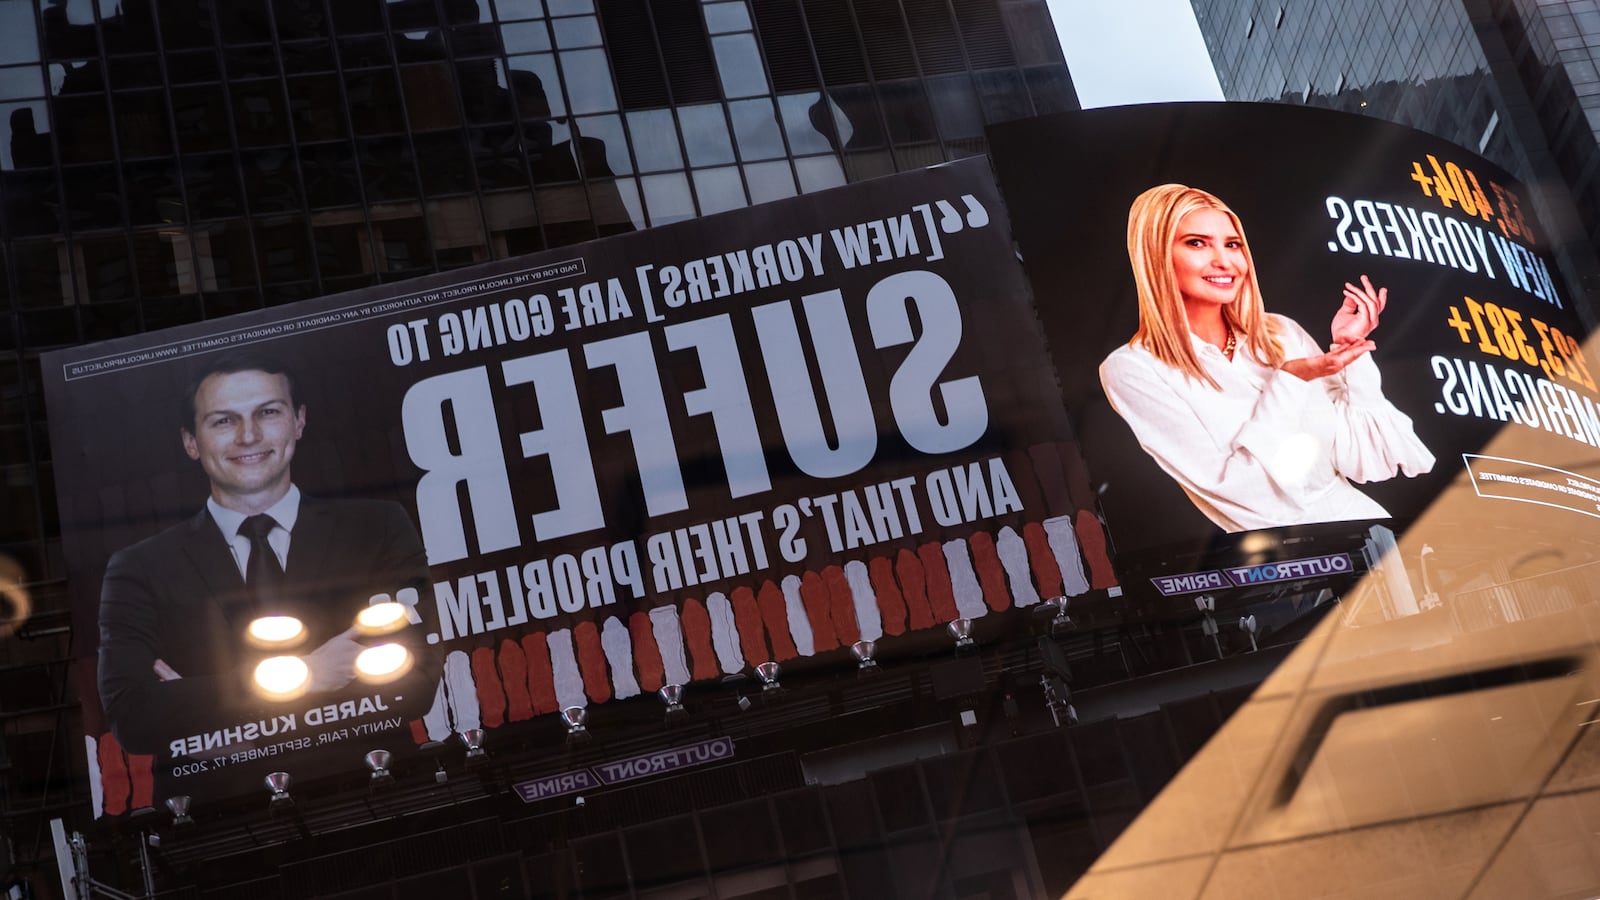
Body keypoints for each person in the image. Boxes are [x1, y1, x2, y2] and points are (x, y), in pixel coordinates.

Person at [96, 350, 436, 762]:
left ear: (299, 421)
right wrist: (310, 675)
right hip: (221, 808)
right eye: (224, 420)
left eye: (268, 412)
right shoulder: (138, 568)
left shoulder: (376, 526)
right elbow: (134, 718)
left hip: (376, 780)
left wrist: (208, 710)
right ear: (191, 441)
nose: (249, 436)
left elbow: (415, 680)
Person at [1098, 184, 1435, 533]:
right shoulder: (1132, 369)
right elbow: (1252, 497)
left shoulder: (1280, 332)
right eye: (1197, 243)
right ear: (1155, 256)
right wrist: (1290, 381)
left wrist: (1350, 351)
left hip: (1373, 530)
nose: (1224, 261)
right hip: (1289, 564)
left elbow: (1362, 460)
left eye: (1232, 245)